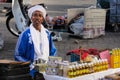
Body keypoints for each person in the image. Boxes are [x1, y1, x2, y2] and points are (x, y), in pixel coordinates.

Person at [14, 5, 56, 78]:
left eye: (40, 15)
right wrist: (30, 64)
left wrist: (51, 64)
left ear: (42, 19)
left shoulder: (47, 33)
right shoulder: (25, 34)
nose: (37, 18)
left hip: (46, 68)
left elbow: (52, 51)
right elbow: (18, 55)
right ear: (31, 18)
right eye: (35, 15)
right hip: (31, 69)